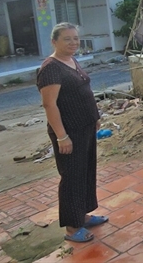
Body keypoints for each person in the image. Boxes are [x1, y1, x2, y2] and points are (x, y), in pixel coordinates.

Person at [37, 23, 108, 243]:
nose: (73, 43)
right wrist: (61, 136)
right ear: (54, 41)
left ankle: (82, 216)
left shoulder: (71, 61)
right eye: (67, 39)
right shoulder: (51, 67)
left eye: (76, 38)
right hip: (69, 132)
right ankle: (71, 228)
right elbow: (50, 105)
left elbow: (81, 92)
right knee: (72, 178)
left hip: (85, 128)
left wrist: (94, 118)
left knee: (86, 172)